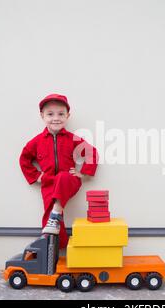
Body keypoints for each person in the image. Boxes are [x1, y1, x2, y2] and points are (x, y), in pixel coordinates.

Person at [19, 93, 98, 248]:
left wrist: (84, 172)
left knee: (63, 177)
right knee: (50, 222)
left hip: (69, 180)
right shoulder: (37, 142)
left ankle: (56, 213)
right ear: (42, 116)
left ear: (68, 116)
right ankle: (56, 249)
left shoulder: (72, 138)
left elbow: (91, 152)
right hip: (49, 182)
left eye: (61, 114)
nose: (56, 118)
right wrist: (36, 176)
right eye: (50, 114)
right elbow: (24, 159)